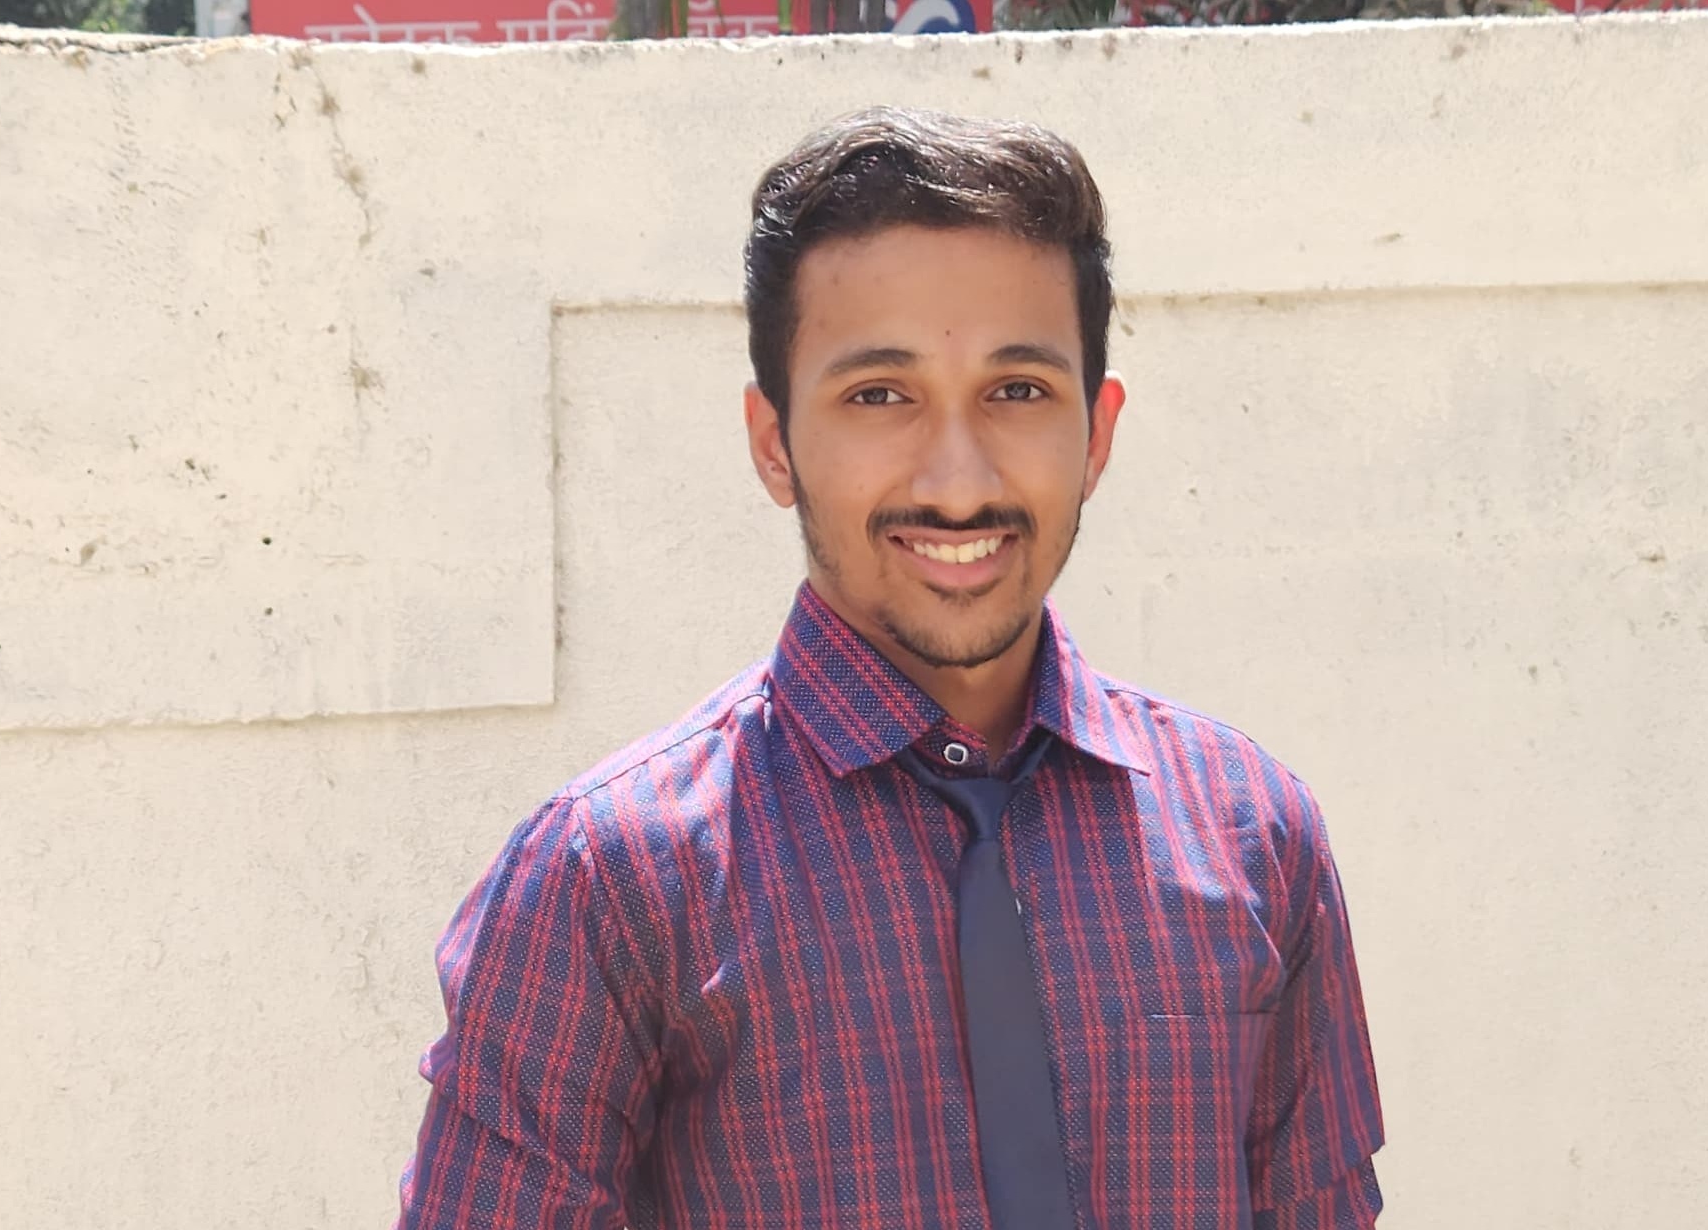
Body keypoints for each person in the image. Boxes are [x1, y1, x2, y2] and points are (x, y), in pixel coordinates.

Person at [396, 106, 1386, 1230]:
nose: (959, 483)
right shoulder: (607, 884)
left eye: (1018, 391)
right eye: (880, 396)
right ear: (773, 442)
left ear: (1098, 434)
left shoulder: (1253, 833)